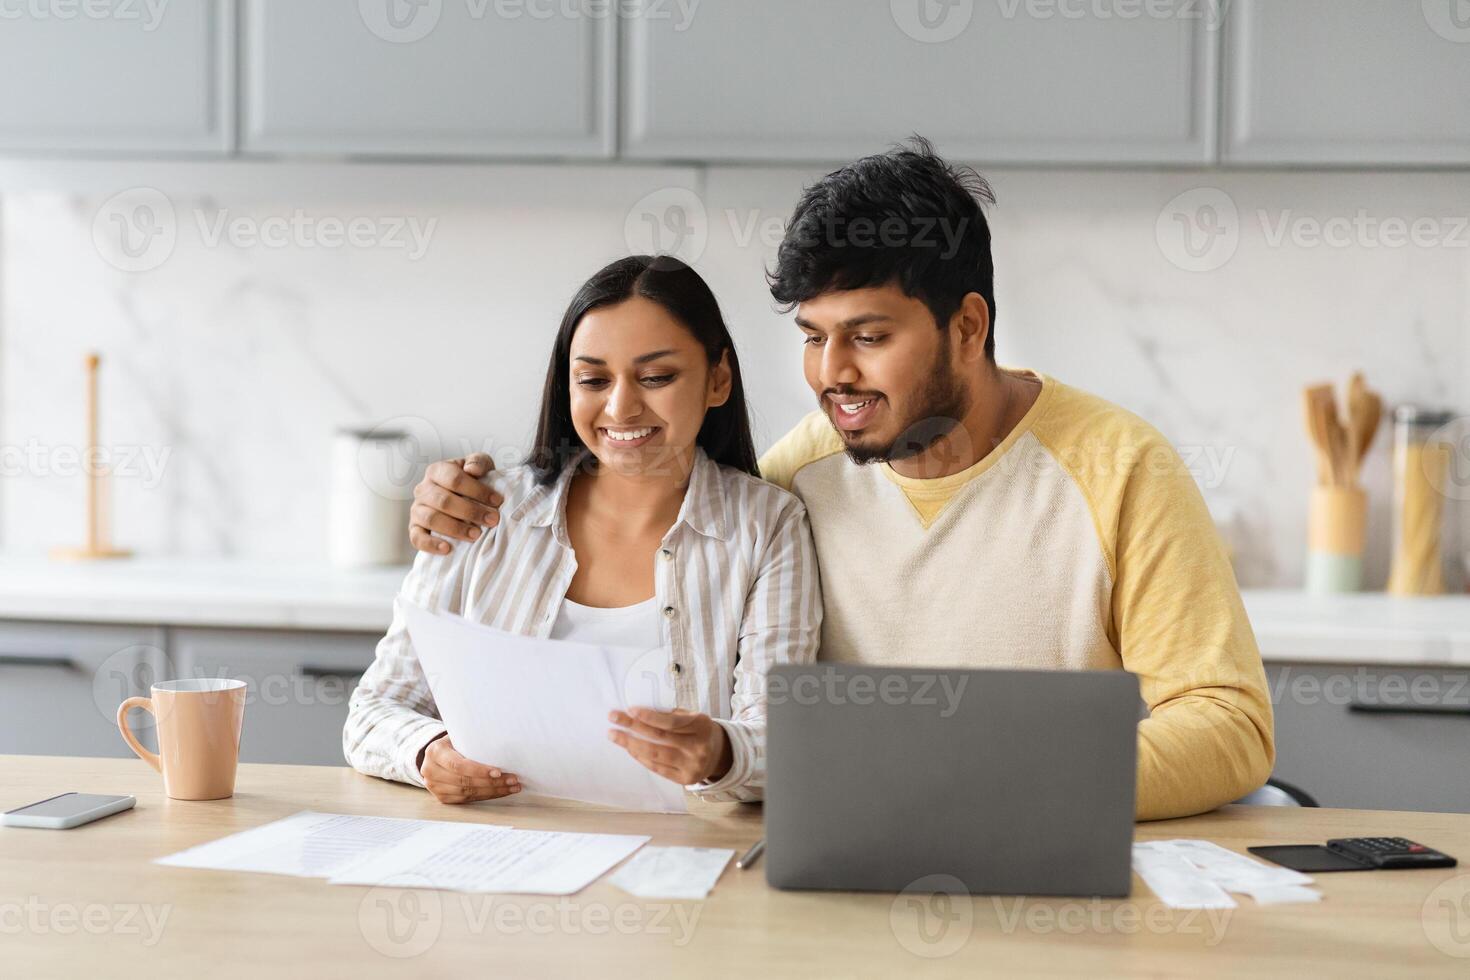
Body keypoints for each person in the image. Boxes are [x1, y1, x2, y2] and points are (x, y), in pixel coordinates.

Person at [407, 139, 1274, 821]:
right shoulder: (800, 478)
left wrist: (996, 787)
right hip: (855, 873)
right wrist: (454, 501)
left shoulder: (1120, 469)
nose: (831, 374)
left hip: (1054, 863)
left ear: (967, 326)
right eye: (814, 335)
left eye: (868, 335)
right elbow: (646, 528)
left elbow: (1229, 727)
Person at [345, 255, 821, 804]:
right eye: (593, 379)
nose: (620, 407)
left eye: (656, 377)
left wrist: (721, 754)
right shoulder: (479, 508)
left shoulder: (769, 525)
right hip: (500, 852)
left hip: (682, 862)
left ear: (717, 380)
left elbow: (780, 741)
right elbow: (371, 712)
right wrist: (428, 752)